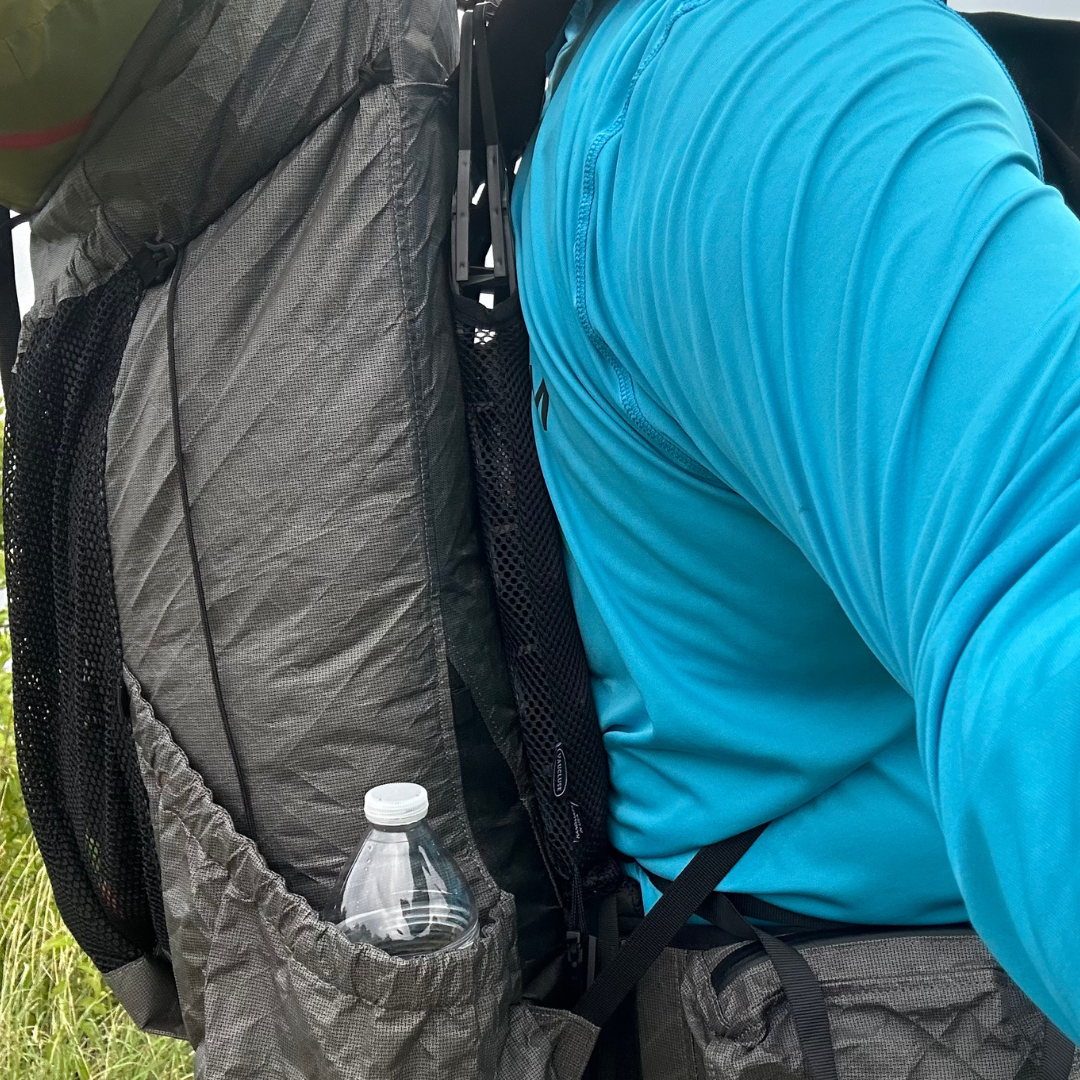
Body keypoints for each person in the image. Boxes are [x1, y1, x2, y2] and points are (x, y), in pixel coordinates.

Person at [512, 0, 1080, 1042]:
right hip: (910, 1009)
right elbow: (1056, 627)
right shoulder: (800, 69)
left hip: (755, 963)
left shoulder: (659, 70)